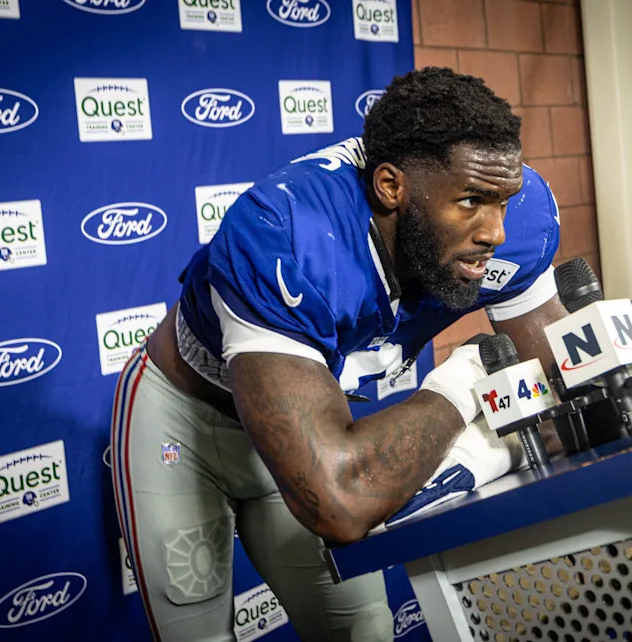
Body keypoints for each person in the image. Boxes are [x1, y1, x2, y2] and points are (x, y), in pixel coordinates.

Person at [110, 66, 568, 642]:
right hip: (185, 417)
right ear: (390, 187)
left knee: (364, 630)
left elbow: (564, 393)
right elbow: (341, 500)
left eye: (504, 199)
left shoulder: (512, 219)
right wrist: (465, 380)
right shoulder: (287, 232)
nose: (495, 231)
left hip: (309, 414)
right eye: (472, 201)